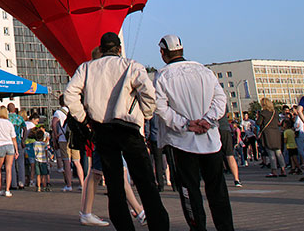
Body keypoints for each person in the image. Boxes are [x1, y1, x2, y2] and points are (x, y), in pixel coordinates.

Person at [62, 31, 168, 231]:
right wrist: (145, 113)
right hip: (129, 129)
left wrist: (84, 119)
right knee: (146, 183)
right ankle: (159, 224)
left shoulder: (86, 68)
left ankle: (124, 226)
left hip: (102, 130)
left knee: (115, 186)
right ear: (119, 49)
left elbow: (70, 95)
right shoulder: (131, 65)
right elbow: (148, 93)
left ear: (100, 50)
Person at [152, 33, 234, 231]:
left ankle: (197, 227)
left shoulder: (162, 76)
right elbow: (220, 100)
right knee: (218, 190)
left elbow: (161, 108)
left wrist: (185, 124)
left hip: (183, 142)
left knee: (190, 191)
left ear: (163, 53)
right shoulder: (204, 71)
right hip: (210, 140)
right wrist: (207, 120)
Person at [0, 105, 17, 196]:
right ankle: (7, 190)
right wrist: (16, 150)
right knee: (9, 168)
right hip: (9, 145)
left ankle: (0, 188)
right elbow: (14, 138)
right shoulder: (9, 123)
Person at [51, 95, 74, 192]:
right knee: (77, 162)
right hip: (74, 139)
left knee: (66, 161)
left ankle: (69, 184)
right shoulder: (73, 110)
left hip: (63, 138)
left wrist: (55, 135)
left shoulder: (58, 112)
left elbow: (53, 123)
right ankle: (82, 182)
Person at [257, 98, 285, 178]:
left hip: (268, 133)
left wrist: (258, 116)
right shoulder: (275, 112)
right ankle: (283, 169)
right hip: (276, 132)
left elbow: (258, 123)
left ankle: (274, 170)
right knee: (278, 152)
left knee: (271, 153)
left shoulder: (263, 113)